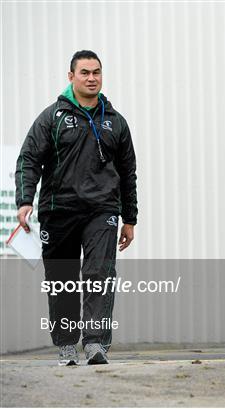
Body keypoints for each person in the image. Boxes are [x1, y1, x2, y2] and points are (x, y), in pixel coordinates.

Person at [15, 50, 137, 366]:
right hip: (59, 210)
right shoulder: (52, 117)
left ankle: (96, 343)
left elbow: (128, 171)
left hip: (102, 210)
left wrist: (130, 218)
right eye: (85, 72)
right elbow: (29, 159)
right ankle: (67, 344)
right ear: (71, 77)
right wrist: (25, 200)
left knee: (99, 274)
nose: (92, 78)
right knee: (63, 278)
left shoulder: (116, 122)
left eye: (96, 72)